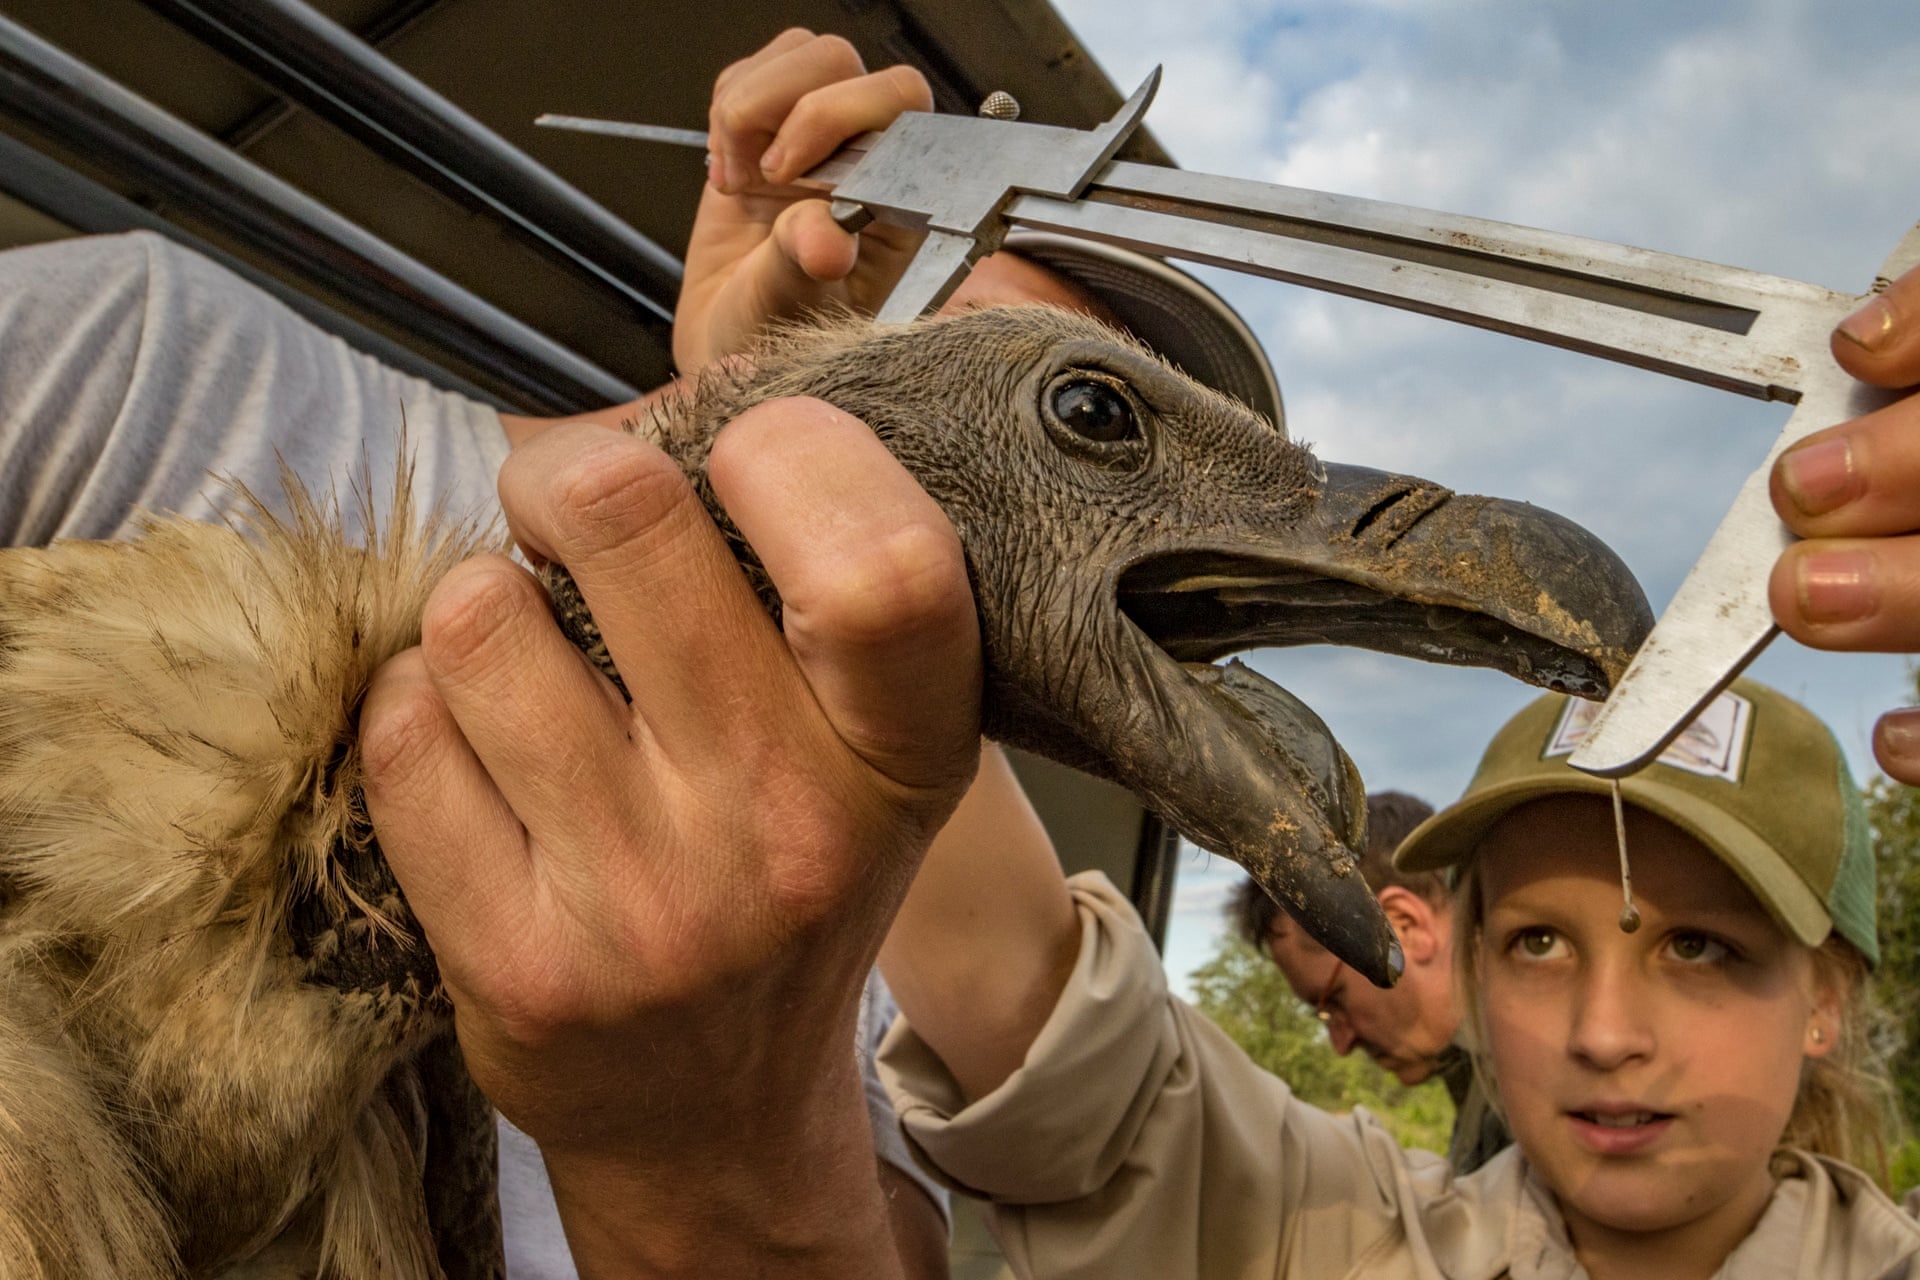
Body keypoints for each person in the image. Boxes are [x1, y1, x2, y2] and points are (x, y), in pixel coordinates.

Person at [878, 679, 1917, 1278]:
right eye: (1538, 943)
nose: (1603, 1033)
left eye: (1699, 947)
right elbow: (1050, 1033)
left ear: (1825, 1001)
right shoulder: (1353, 1235)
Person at [1229, 790, 1511, 1174]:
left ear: (1404, 927)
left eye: (1336, 1000)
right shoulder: (1482, 1078)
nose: (1341, 1045)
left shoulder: (1533, 1086)